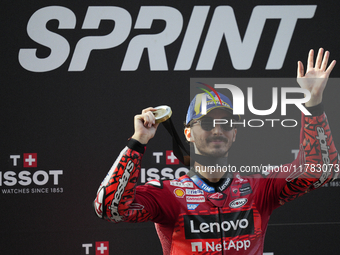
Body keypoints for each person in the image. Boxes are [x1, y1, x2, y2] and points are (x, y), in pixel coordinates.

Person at [93, 48, 339, 255]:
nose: (218, 130)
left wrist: (313, 103)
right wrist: (138, 141)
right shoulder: (169, 195)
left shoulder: (258, 189)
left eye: (227, 123)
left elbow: (320, 172)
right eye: (208, 123)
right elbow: (110, 208)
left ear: (235, 133)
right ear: (188, 133)